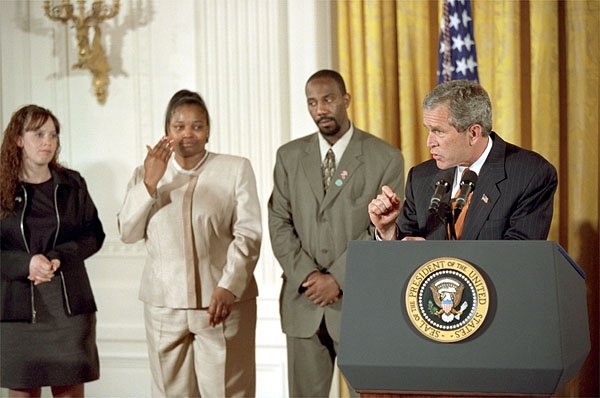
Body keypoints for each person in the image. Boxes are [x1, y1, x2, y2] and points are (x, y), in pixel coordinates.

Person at [268, 69, 405, 397]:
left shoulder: (385, 157)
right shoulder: (288, 157)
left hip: (360, 304)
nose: (320, 109)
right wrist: (309, 276)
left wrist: (338, 279)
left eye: (328, 99)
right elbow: (278, 222)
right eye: (312, 102)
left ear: (346, 100)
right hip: (304, 302)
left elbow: (383, 228)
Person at [118, 89, 261, 398]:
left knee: (229, 391)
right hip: (163, 306)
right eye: (179, 126)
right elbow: (127, 232)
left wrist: (229, 286)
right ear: (166, 131)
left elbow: (248, 233)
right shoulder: (147, 174)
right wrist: (150, 184)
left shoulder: (235, 169)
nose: (188, 134)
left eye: (197, 125)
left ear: (208, 130)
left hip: (222, 304)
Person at [0, 105, 105, 397]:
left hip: (69, 312)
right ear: (18, 139)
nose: (48, 141)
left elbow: (94, 235)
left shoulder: (72, 184)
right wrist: (26, 264)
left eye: (54, 134)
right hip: (17, 313)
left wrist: (58, 256)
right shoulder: (0, 189)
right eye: (39, 134)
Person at [369, 79, 558, 241]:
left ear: (474, 133)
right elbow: (407, 246)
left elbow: (516, 258)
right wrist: (388, 232)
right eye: (428, 130)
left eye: (439, 131)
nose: (429, 142)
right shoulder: (420, 177)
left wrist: (433, 256)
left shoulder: (530, 175)